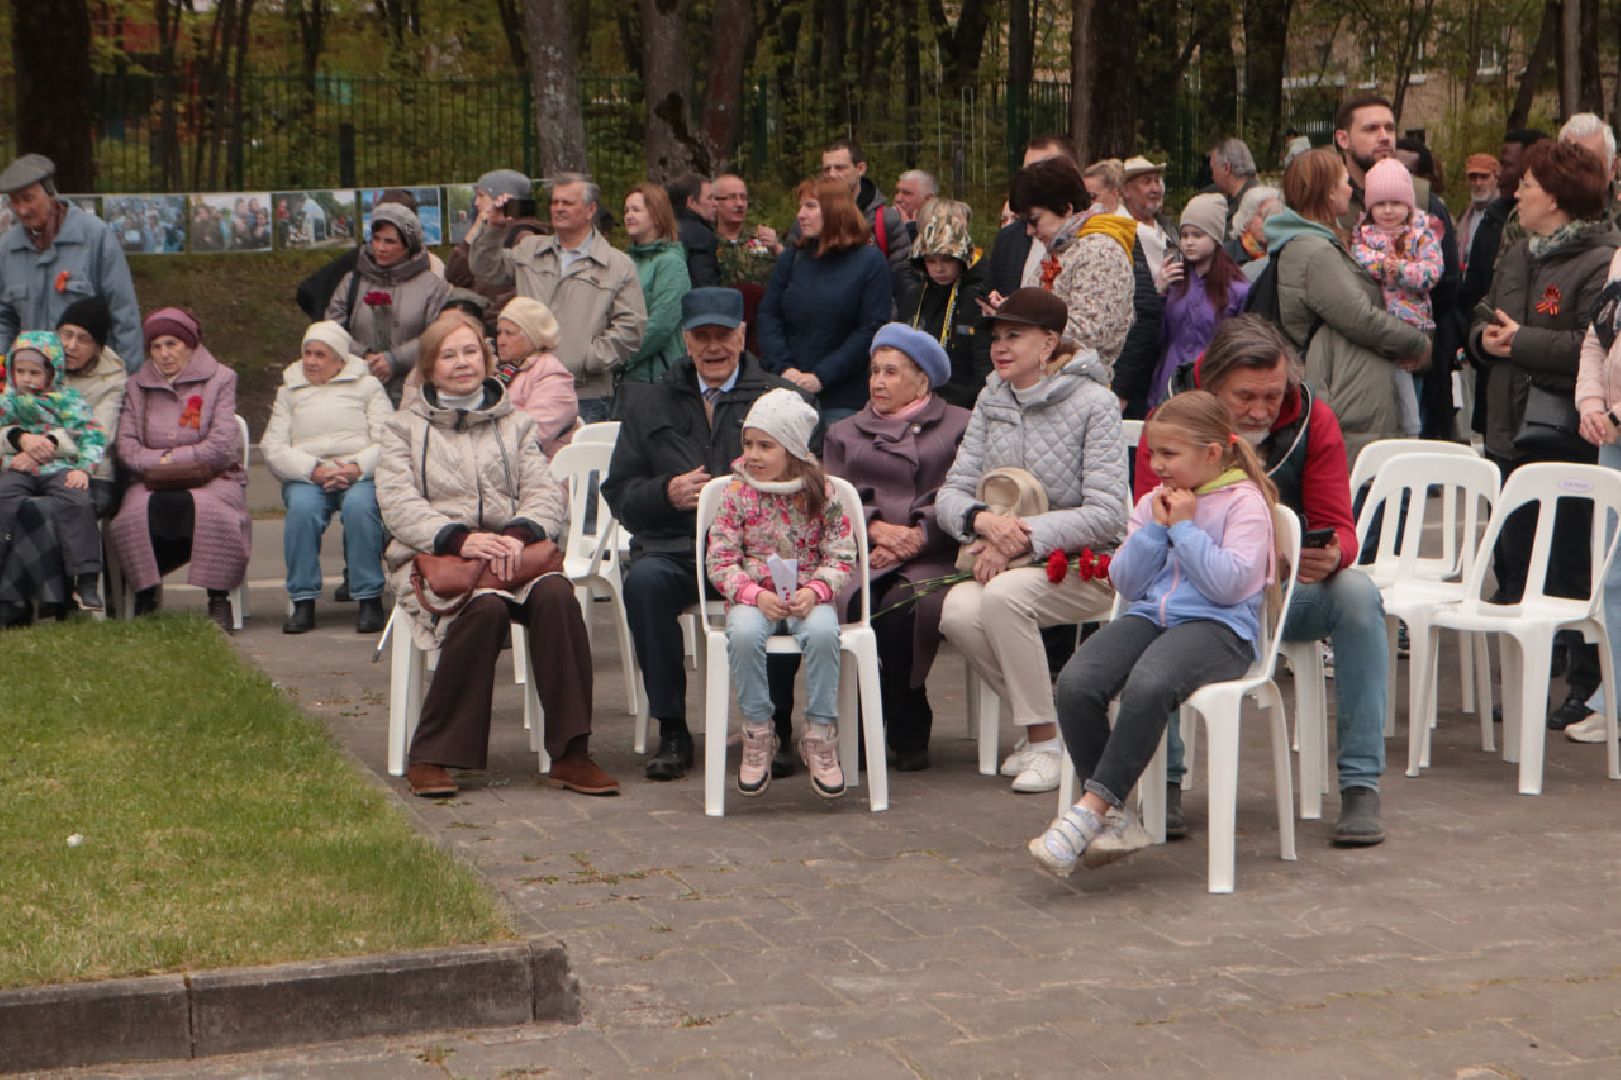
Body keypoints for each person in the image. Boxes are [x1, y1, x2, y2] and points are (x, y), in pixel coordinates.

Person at [1142, 315, 1392, 845]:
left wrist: (1332, 554)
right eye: (1245, 397)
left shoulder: (1312, 418)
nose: (1261, 410)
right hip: (1197, 601)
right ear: (1211, 386)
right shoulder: (1171, 419)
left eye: (1273, 396)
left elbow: (1341, 525)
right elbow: (1152, 527)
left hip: (1280, 597)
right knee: (1150, 612)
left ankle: (1360, 784)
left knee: (1357, 593)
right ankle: (1164, 783)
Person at [1032, 390, 1277, 876]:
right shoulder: (1152, 502)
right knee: (1078, 681)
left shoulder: (1245, 504)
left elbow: (1229, 587)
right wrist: (1153, 530)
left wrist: (1185, 530)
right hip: (1151, 617)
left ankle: (1093, 810)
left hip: (1220, 628)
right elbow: (1125, 581)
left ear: (1211, 453)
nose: (1157, 465)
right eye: (1153, 454)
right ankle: (1117, 816)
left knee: (1150, 682)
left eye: (1170, 454)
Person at [375, 311, 618, 799]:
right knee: (483, 609)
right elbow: (398, 505)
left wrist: (516, 534)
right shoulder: (401, 429)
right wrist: (461, 539)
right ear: (428, 366)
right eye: (449, 355)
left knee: (555, 596)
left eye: (470, 352)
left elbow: (546, 494)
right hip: (437, 560)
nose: (461, 363)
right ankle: (434, 754)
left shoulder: (517, 424)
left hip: (512, 556)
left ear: (486, 360)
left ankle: (571, 753)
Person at [605, 288, 820, 782]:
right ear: (685, 340)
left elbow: (814, 485)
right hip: (675, 549)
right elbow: (619, 495)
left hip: (757, 550)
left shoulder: (780, 399)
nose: (713, 346)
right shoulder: (649, 400)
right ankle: (674, 729)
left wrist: (762, 490)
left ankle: (777, 724)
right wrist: (666, 493)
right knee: (644, 582)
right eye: (701, 336)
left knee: (781, 579)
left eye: (723, 334)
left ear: (742, 334)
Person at [935, 289, 1127, 794]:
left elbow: (1108, 513)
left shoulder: (1096, 403)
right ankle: (1057, 730)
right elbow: (951, 493)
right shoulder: (991, 397)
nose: (1000, 347)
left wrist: (1018, 537)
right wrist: (982, 522)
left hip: (1087, 562)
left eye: (1014, 336)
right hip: (1007, 557)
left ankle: (1043, 741)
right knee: (955, 611)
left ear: (1049, 343)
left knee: (1001, 599)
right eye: (996, 336)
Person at [1469, 139, 1619, 732]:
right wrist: (1485, 340)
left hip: (1569, 437)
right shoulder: (1518, 253)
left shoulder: (1600, 258)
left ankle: (1587, 686)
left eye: (1528, 184)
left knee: (1577, 564)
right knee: (1520, 561)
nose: (1519, 193)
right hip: (1511, 428)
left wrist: (1520, 343)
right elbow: (1485, 312)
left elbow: (1593, 343)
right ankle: (1529, 676)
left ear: (1553, 197)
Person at [824, 325, 971, 770]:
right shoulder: (844, 432)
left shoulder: (960, 426)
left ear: (922, 379)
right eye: (874, 371)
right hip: (863, 551)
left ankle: (907, 718)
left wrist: (918, 537)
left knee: (901, 608)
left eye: (891, 372)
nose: (877, 382)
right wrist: (875, 531)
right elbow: (831, 496)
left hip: (934, 551)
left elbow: (962, 493)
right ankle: (858, 725)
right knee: (848, 602)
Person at [707, 389, 856, 797]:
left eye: (765, 445)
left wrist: (817, 589)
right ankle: (758, 730)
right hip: (756, 595)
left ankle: (820, 732)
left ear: (791, 449)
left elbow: (842, 553)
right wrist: (753, 594)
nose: (753, 454)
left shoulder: (822, 494)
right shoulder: (737, 494)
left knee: (825, 634)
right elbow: (719, 559)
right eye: (748, 443)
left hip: (808, 594)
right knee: (742, 634)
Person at [1264, 148, 1431, 462]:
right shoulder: (1315, 251)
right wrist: (1417, 341)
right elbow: (1360, 318)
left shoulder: (1317, 242)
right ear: (1328, 192)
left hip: (1349, 390)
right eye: (1344, 181)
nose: (1351, 188)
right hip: (1346, 394)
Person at [108, 308, 250, 633]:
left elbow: (221, 445)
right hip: (150, 479)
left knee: (211, 509)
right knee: (135, 512)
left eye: (172, 344)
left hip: (212, 476)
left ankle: (218, 599)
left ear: (189, 344)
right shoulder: (136, 386)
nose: (164, 354)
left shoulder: (221, 378)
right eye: (156, 347)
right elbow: (127, 447)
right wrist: (160, 464)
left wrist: (169, 458)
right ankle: (144, 595)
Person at [468, 173, 646, 423]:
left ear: (590, 210)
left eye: (568, 203)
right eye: (555, 203)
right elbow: (486, 269)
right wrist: (494, 229)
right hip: (527, 386)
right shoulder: (530, 251)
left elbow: (631, 329)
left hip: (586, 394)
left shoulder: (617, 265)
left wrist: (586, 359)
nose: (559, 209)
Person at [1334, 94, 1463, 441]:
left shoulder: (1422, 200)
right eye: (1371, 128)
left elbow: (1448, 286)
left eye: (1390, 128)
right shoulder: (1331, 199)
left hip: (1413, 351)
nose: (1385, 137)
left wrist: (1426, 345)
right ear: (1343, 139)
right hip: (1351, 361)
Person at [262, 321, 392, 636]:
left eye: (320, 355)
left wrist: (357, 466)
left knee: (360, 508)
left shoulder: (368, 386)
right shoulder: (289, 390)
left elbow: (389, 438)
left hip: (357, 472)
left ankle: (368, 597)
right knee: (302, 512)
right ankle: (303, 600)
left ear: (340, 360)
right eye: (307, 353)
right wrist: (314, 470)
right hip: (309, 475)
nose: (311, 361)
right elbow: (272, 446)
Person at [757, 177, 890, 425]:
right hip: (785, 392)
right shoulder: (793, 258)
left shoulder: (869, 262)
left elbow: (871, 329)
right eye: (800, 207)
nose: (800, 215)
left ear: (834, 209)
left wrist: (821, 376)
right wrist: (785, 369)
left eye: (810, 206)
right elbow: (768, 315)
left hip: (842, 400)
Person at [0, 154, 143, 370]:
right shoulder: (7, 247)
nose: (21, 209)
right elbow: (3, 319)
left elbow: (124, 315)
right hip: (30, 382)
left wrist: (130, 381)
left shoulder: (96, 237)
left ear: (50, 193)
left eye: (28, 198)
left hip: (90, 381)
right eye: (15, 201)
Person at [0, 332, 107, 619]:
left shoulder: (66, 399)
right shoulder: (7, 399)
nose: (27, 379)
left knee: (78, 502)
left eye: (35, 372)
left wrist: (83, 467)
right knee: (3, 498)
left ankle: (85, 578)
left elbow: (91, 434)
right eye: (20, 371)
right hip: (17, 467)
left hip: (57, 468)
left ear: (52, 372)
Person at [1004, 156, 1137, 376]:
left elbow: (1089, 333)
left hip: (1080, 385)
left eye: (1034, 219)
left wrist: (1021, 326)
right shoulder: (1062, 248)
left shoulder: (1101, 251)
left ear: (1066, 209)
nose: (1029, 231)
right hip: (1047, 382)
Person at [1349, 158, 1445, 439]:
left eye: (1395, 203)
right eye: (1380, 204)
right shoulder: (1364, 235)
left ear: (1408, 204)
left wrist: (1401, 270)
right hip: (1378, 328)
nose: (1388, 210)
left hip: (1412, 325)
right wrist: (1382, 266)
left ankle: (1412, 436)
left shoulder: (1422, 234)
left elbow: (1433, 272)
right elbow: (1359, 259)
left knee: (1409, 393)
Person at [325, 202, 450, 406]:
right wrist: (363, 355)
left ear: (408, 245)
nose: (381, 248)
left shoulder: (432, 286)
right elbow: (332, 328)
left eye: (390, 241)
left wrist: (395, 360)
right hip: (356, 386)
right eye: (376, 239)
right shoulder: (352, 281)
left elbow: (438, 335)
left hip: (413, 389)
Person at [1573, 239, 1621, 742]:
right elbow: (1596, 338)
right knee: (1610, 574)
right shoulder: (1619, 256)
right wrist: (1590, 400)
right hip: (1612, 436)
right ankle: (1615, 700)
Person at [1150, 193, 1249, 409]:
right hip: (1169, 382)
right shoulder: (1174, 282)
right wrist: (1157, 293)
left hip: (1211, 382)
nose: (1189, 242)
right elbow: (1154, 338)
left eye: (1197, 235)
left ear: (1215, 238)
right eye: (1184, 235)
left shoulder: (1238, 290)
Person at [899, 199, 989, 409]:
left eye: (947, 260)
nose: (939, 268)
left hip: (963, 404)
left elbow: (983, 360)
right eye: (931, 261)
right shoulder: (915, 296)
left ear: (960, 260)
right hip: (915, 401)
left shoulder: (977, 297)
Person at [444, 169, 547, 333]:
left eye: (481, 196)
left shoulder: (524, 236)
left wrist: (486, 314)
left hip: (505, 328)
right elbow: (456, 275)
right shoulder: (491, 231)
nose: (476, 203)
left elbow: (519, 288)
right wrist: (477, 228)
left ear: (502, 198)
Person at [819, 138, 916, 311]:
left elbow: (902, 279)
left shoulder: (886, 220)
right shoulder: (811, 218)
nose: (832, 175)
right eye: (827, 169)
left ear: (861, 168)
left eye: (840, 168)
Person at [56, 296, 126, 517]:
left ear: (98, 348)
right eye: (66, 334)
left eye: (83, 339)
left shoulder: (112, 379)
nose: (70, 346)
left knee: (53, 509)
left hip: (90, 471)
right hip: (30, 466)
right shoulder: (35, 363)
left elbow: (100, 435)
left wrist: (45, 444)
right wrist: (22, 440)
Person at [622, 183, 693, 384]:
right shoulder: (624, 261)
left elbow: (661, 324)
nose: (629, 215)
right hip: (627, 376)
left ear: (656, 215)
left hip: (658, 375)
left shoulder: (670, 263)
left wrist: (621, 358)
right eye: (626, 210)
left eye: (636, 210)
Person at [492, 297, 578, 456]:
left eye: (509, 334)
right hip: (504, 460)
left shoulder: (553, 375)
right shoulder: (503, 370)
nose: (501, 341)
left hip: (543, 469)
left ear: (533, 337)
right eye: (499, 332)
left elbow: (533, 433)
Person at [1120, 156, 1176, 286]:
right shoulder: (1120, 230)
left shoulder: (1169, 228)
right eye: (1147, 182)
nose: (1155, 189)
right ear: (1126, 191)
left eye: (1157, 182)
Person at [667, 172, 720, 288]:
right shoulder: (701, 237)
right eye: (710, 198)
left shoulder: (663, 230)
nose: (716, 203)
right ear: (692, 202)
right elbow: (704, 286)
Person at [1227, 185, 1283, 276]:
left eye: (1274, 215)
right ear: (1246, 218)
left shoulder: (1286, 253)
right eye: (1263, 215)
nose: (1269, 221)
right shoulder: (1226, 256)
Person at [1208, 138, 1261, 233]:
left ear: (1226, 168)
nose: (1212, 177)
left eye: (1213, 170)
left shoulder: (1250, 207)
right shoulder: (1263, 196)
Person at [1457, 154, 1501, 268]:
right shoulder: (1464, 215)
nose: (1478, 183)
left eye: (1484, 177)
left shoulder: (1502, 216)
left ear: (1497, 178)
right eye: (1473, 177)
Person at [893, 170, 937, 240]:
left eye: (907, 193)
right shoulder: (883, 223)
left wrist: (910, 229)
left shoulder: (941, 227)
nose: (898, 199)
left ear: (928, 199)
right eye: (897, 192)